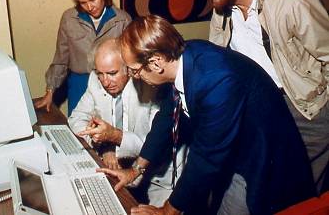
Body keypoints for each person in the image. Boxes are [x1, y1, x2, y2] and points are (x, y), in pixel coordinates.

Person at [98, 15, 315, 214]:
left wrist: (167, 211)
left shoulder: (217, 81)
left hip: (264, 160)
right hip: (234, 154)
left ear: (155, 62)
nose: (134, 78)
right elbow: (166, 119)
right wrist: (136, 170)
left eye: (134, 71)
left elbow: (205, 158)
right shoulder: (185, 58)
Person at [198, 0, 329, 194]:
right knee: (273, 184)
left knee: (305, 189)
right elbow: (220, 62)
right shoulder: (221, 11)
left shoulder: (293, 4)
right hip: (262, 108)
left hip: (305, 109)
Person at [69, 38, 187, 206]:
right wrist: (105, 146)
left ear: (129, 67)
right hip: (122, 172)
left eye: (112, 73)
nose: (104, 81)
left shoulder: (152, 85)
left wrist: (114, 137)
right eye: (99, 73)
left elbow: (154, 145)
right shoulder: (96, 80)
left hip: (160, 177)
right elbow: (76, 119)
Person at [35, 0, 131, 116]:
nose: (90, 7)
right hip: (79, 83)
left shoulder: (122, 20)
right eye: (83, 2)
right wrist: (50, 91)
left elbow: (130, 62)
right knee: (78, 130)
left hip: (112, 84)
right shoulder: (69, 19)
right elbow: (60, 59)